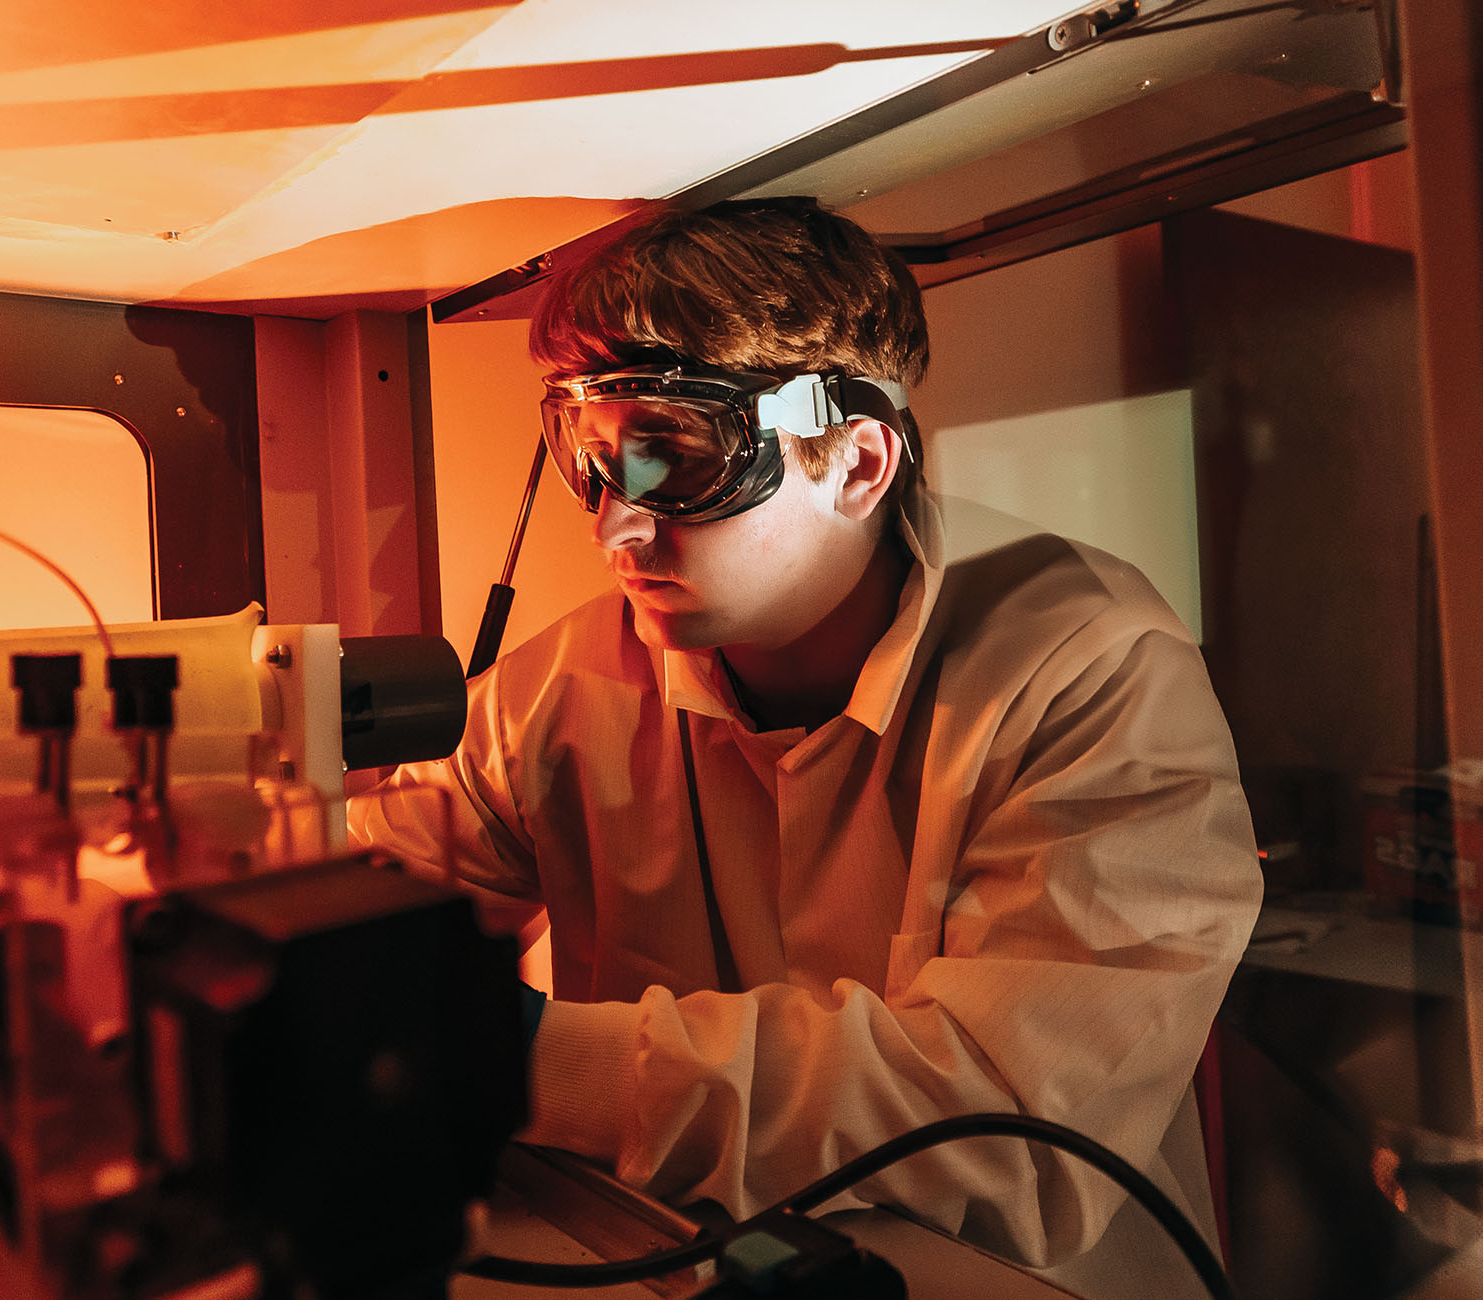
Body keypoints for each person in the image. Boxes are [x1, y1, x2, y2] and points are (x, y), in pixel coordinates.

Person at [349, 197, 1262, 1296]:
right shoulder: (559, 688)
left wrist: (520, 1055)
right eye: (591, 459)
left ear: (858, 466)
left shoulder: (1090, 669)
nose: (615, 525)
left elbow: (1005, 1128)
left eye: (673, 460)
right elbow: (360, 928)